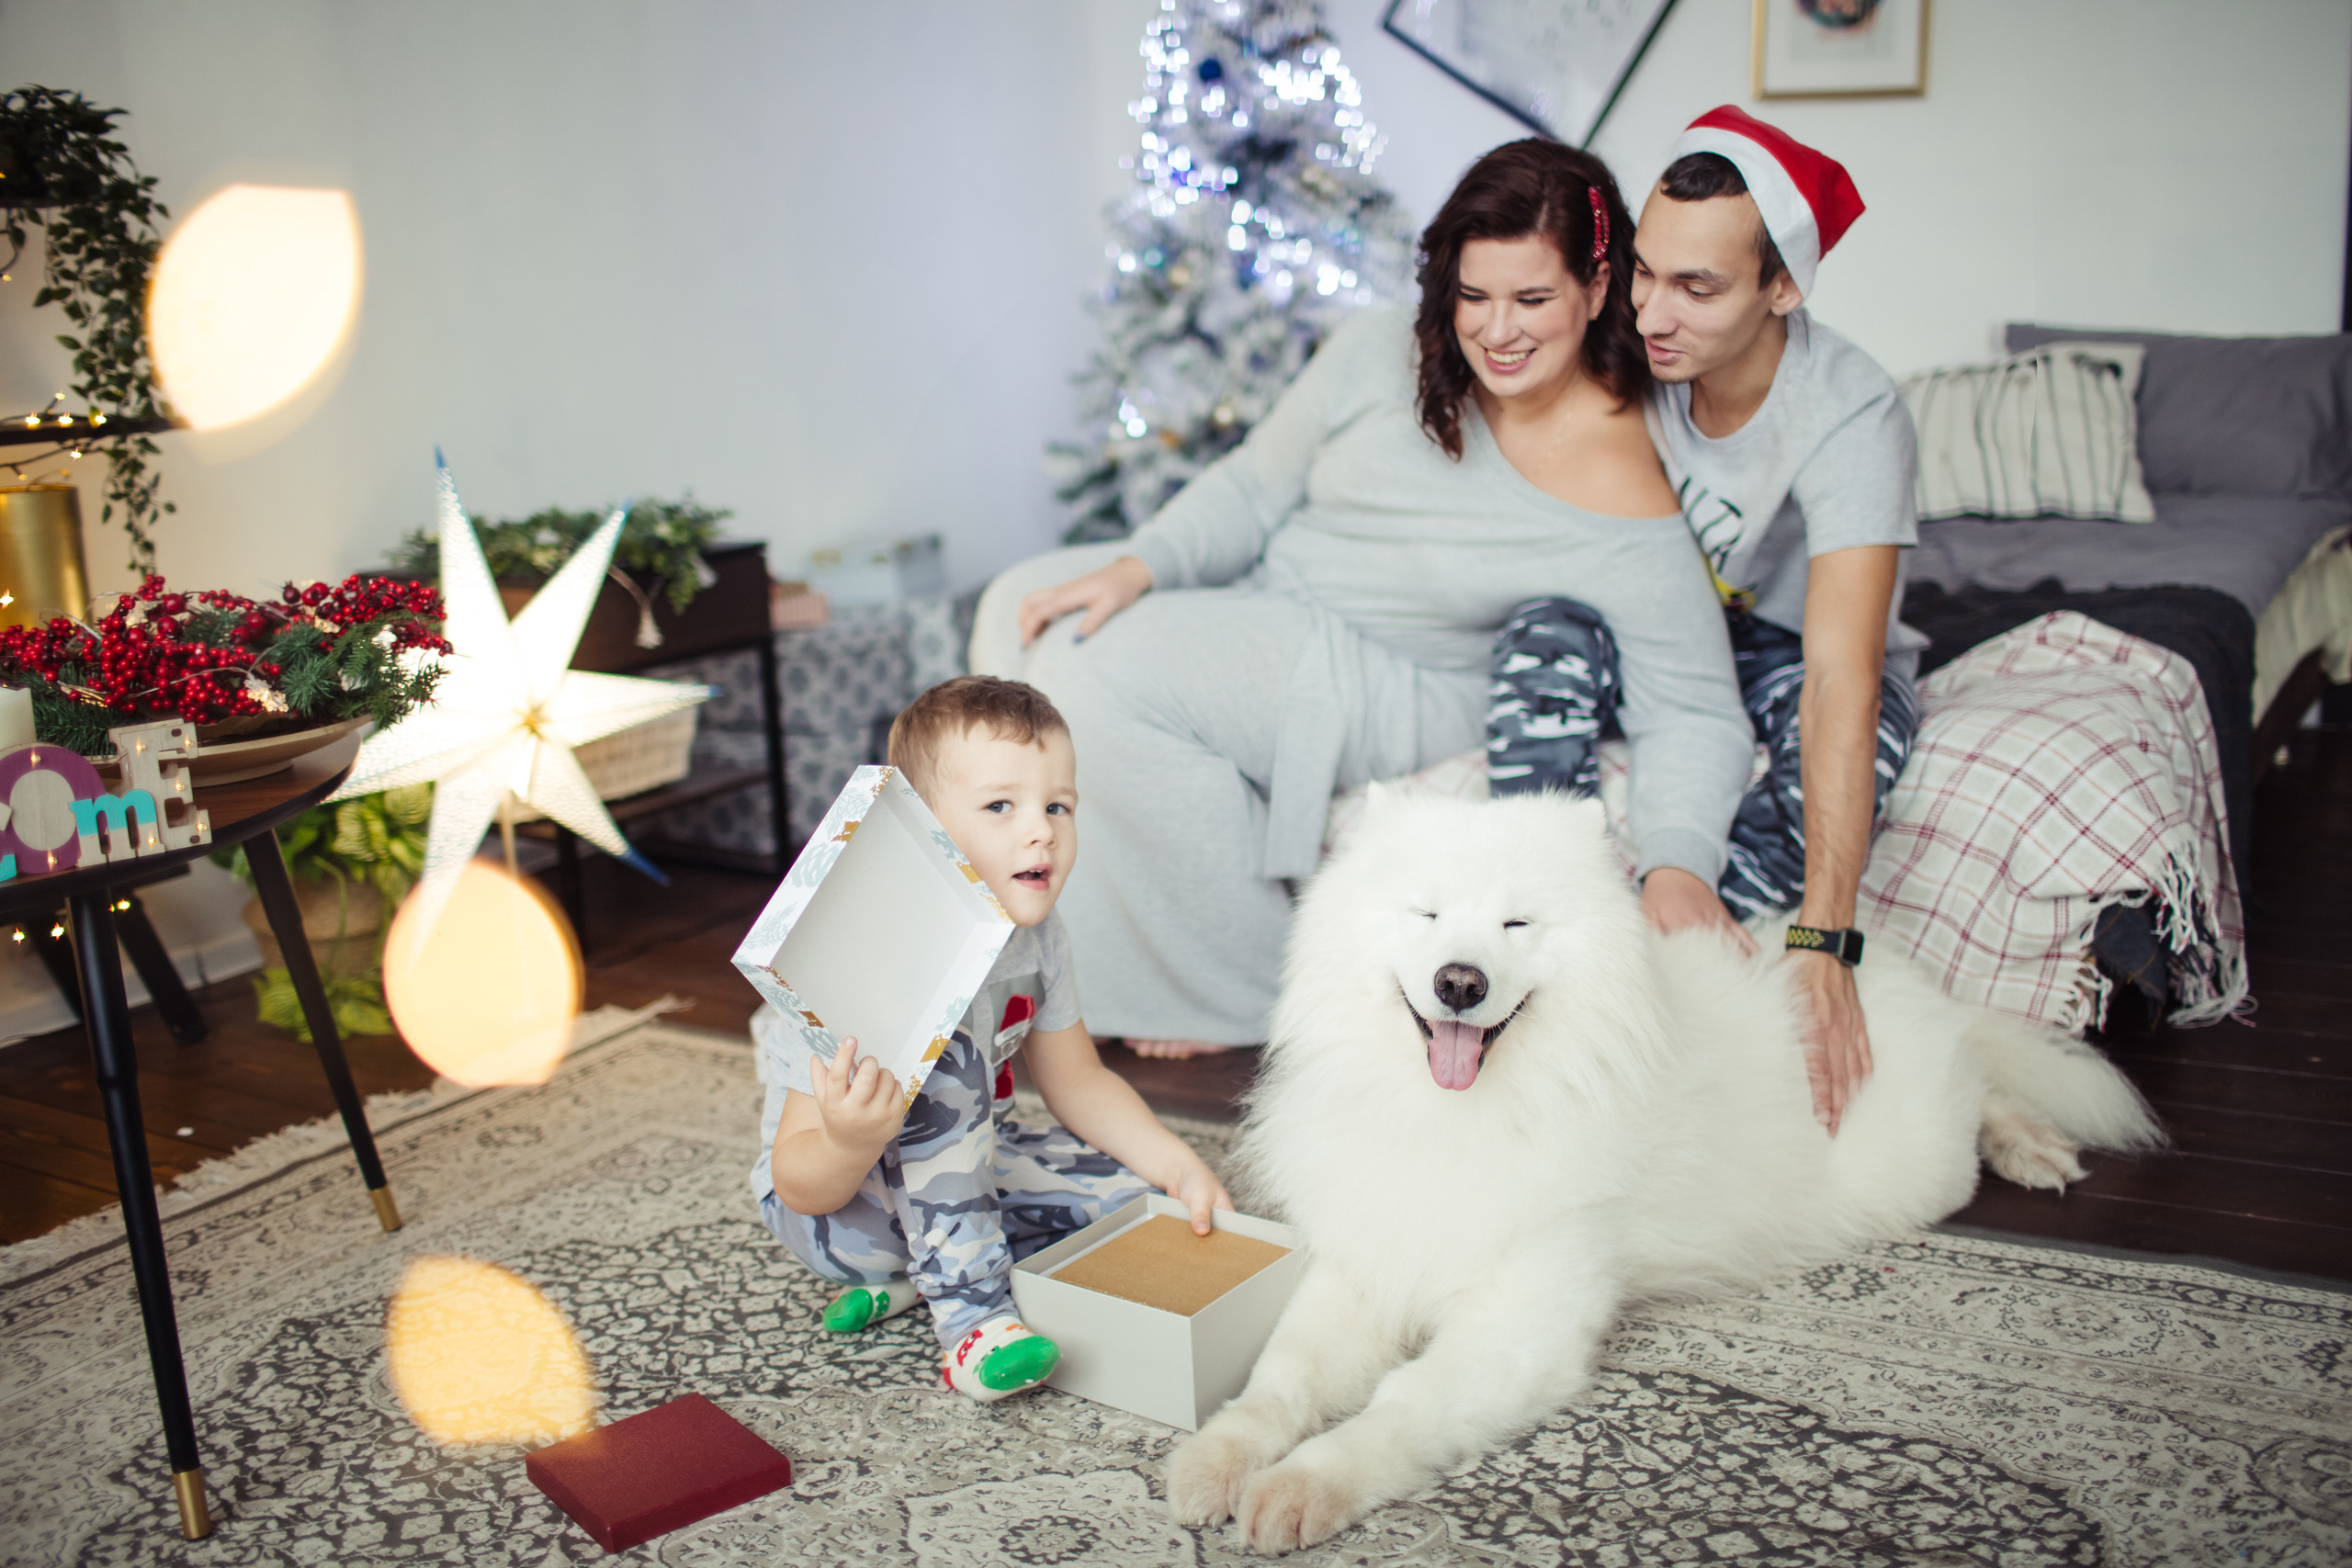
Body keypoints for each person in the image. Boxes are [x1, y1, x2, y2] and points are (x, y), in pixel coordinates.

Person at [1015, 140, 1756, 1058]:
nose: (1497, 332)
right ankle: (1046, 962)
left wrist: (1679, 864)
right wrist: (1143, 564)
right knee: (1024, 601)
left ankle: (1232, 990)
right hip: (1273, 598)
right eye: (1473, 297)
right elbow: (1254, 486)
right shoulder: (1377, 348)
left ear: (1597, 289)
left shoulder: (1619, 475)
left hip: (1392, 672)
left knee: (1097, 667)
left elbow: (1691, 706)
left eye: (1532, 300)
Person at [1491, 106, 1922, 1134]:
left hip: (1777, 643)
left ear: (1783, 287)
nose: (1652, 314)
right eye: (1644, 270)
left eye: (1699, 286)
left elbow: (1839, 676)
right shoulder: (1618, 343)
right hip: (1639, 617)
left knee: (1882, 726)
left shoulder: (1853, 415)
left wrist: (1824, 945)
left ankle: (1682, 929)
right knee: (1540, 631)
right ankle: (1537, 894)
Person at [748, 675, 1232, 1402]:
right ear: (917, 828)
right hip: (841, 1213)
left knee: (1129, 1202)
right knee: (952, 1060)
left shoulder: (1038, 939)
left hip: (963, 1175)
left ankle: (918, 1273)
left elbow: (1079, 1082)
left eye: (1057, 805)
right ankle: (973, 1320)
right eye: (1001, 806)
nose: (1040, 829)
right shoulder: (859, 952)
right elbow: (797, 1183)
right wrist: (850, 1138)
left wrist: (1176, 1164)